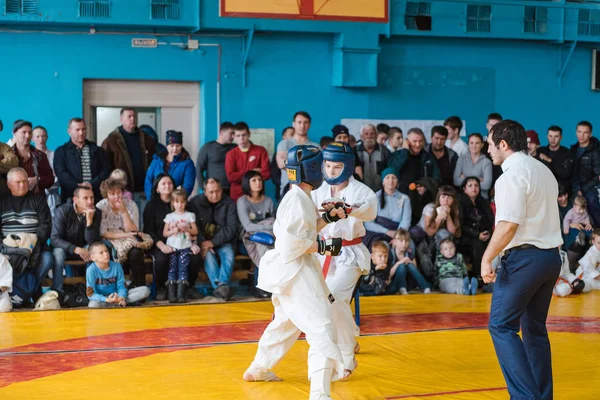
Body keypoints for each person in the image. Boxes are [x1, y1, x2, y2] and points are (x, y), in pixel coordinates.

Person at [243, 145, 348, 400]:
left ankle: (258, 368)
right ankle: (320, 394)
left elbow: (305, 230)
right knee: (322, 326)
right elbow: (289, 245)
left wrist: (329, 218)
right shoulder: (295, 201)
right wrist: (323, 245)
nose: (323, 171)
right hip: (295, 273)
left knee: (286, 323)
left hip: (291, 271)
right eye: (320, 166)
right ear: (310, 169)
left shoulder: (301, 196)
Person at [481, 120, 563, 400]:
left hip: (524, 260)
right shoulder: (544, 170)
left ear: (503, 144)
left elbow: (507, 225)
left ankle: (526, 397)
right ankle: (542, 395)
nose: (488, 149)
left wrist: (486, 257)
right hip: (550, 258)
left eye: (491, 144)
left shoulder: (510, 176)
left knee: (501, 327)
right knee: (534, 330)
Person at [312, 142, 377, 372]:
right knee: (326, 303)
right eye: (327, 166)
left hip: (350, 253)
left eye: (336, 166)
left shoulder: (360, 190)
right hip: (324, 252)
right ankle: (351, 337)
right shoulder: (318, 189)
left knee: (336, 300)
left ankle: (348, 355)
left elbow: (370, 209)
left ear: (348, 166)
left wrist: (348, 208)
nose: (330, 171)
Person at [143, 174, 203, 301]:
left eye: (170, 183)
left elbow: (195, 228)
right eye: (163, 184)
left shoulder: (187, 207)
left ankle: (188, 286)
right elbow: (148, 230)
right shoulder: (151, 205)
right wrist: (161, 245)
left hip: (184, 241)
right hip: (159, 243)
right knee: (162, 258)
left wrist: (194, 242)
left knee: (195, 256)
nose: (167, 186)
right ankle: (162, 288)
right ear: (157, 189)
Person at [50, 186, 102, 295]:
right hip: (65, 248)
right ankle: (57, 292)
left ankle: (90, 291)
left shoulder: (96, 213)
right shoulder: (62, 211)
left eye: (92, 198)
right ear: (75, 200)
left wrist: (89, 221)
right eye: (85, 198)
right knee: (58, 253)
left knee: (93, 250)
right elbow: (54, 239)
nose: (90, 201)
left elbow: (93, 242)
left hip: (85, 249)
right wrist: (75, 249)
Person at [54, 118, 110, 202]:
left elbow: (106, 171)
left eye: (83, 129)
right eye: (77, 130)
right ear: (69, 131)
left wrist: (92, 184)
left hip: (95, 197)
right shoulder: (61, 151)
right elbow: (61, 173)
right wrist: (79, 187)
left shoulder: (97, 150)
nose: (81, 133)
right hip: (71, 198)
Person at [86, 242, 150, 308]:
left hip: (117, 295)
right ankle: (118, 304)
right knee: (92, 305)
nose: (106, 254)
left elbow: (121, 285)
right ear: (93, 258)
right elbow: (90, 294)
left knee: (145, 290)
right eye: (101, 253)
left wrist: (122, 297)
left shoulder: (116, 266)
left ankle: (119, 303)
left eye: (106, 251)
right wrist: (106, 299)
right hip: (103, 298)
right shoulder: (91, 270)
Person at [162, 187, 198, 303]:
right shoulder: (170, 217)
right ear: (173, 203)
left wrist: (187, 228)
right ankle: (172, 294)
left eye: (182, 202)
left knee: (183, 269)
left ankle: (181, 294)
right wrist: (173, 231)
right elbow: (165, 233)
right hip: (172, 247)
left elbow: (195, 231)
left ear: (185, 202)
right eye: (177, 202)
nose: (179, 205)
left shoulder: (189, 215)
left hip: (185, 246)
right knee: (172, 268)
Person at [145, 130, 196, 200]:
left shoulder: (187, 163)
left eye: (178, 146)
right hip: (156, 202)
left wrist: (174, 200)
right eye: (172, 146)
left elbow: (188, 186)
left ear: (181, 146)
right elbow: (148, 180)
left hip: (176, 203)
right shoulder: (157, 160)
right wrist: (151, 199)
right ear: (167, 146)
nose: (175, 149)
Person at [196, 122, 236, 194]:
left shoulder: (235, 148)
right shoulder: (208, 147)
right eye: (231, 133)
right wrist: (203, 187)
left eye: (234, 134)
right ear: (221, 132)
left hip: (232, 189)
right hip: (214, 190)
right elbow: (199, 168)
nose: (233, 136)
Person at [387, 229, 430, 295]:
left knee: (409, 264)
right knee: (401, 266)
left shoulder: (409, 253)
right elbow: (388, 276)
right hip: (395, 283)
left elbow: (415, 272)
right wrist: (400, 262)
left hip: (408, 283)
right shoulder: (390, 254)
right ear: (395, 242)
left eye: (406, 241)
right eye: (401, 241)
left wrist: (410, 262)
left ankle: (425, 287)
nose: (404, 244)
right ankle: (402, 288)